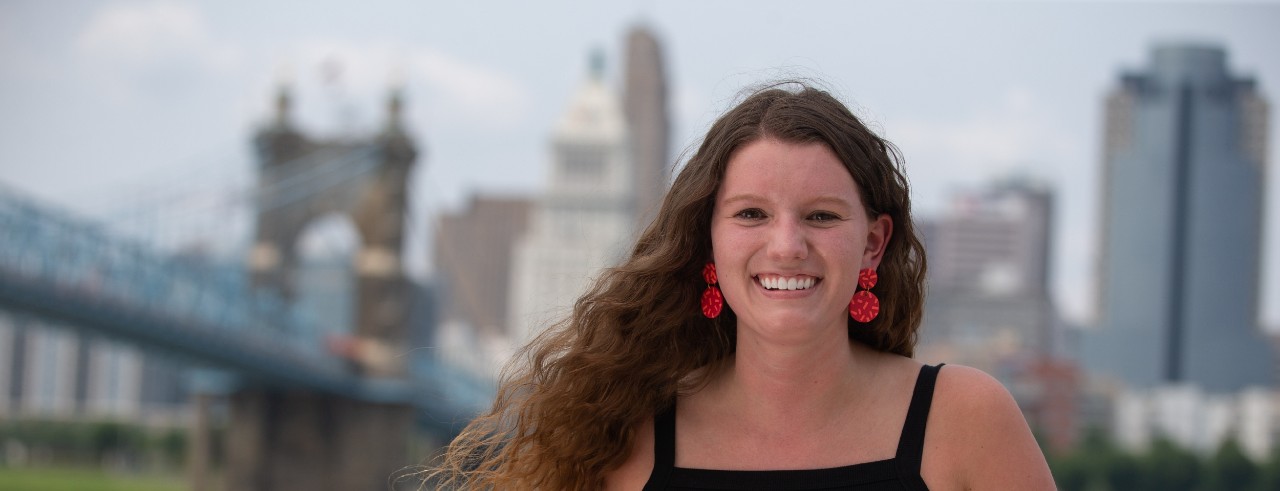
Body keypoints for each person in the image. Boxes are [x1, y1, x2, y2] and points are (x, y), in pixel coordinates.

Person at [427, 82, 1056, 490]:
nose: (786, 245)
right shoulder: (626, 437)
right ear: (709, 240)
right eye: (752, 214)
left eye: (821, 215)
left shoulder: (966, 419)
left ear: (873, 242)